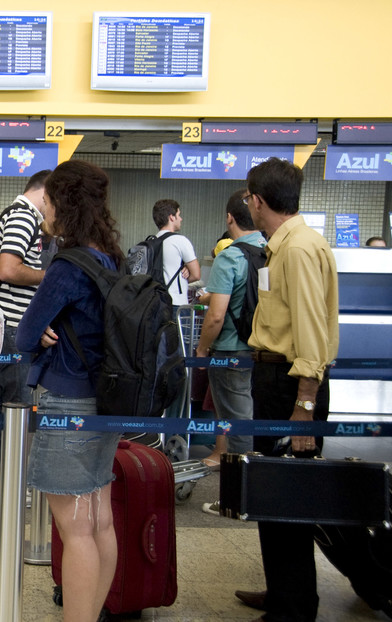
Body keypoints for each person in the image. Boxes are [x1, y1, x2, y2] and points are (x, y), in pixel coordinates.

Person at [15, 160, 124, 622]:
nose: (45, 212)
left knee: (74, 528)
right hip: (107, 400)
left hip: (67, 399)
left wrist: (40, 332)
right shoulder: (110, 257)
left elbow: (24, 335)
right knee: (99, 519)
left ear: (64, 205)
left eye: (49, 203)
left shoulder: (67, 264)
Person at [232, 158, 339, 622]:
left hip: (291, 386)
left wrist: (305, 405)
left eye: (248, 199)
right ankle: (282, 592)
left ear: (257, 200)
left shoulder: (296, 249)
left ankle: (294, 608)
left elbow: (312, 332)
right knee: (273, 493)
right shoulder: (286, 245)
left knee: (290, 497)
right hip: (276, 380)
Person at [0, 170, 50, 507]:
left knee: (0, 405)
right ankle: (2, 483)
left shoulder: (14, 214)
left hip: (5, 327)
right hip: (13, 328)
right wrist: (48, 276)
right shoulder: (24, 216)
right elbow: (8, 270)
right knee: (15, 406)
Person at [193, 190, 265, 471]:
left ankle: (241, 492)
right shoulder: (271, 250)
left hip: (231, 349)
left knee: (235, 420)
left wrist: (201, 349)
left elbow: (216, 315)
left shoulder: (230, 256)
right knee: (251, 415)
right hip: (263, 350)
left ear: (229, 218)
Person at [151, 199, 200, 306]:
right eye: (179, 214)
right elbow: (196, 275)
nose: (181, 219)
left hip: (154, 302)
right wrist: (183, 276)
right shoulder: (180, 241)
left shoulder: (151, 242)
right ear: (171, 217)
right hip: (176, 302)